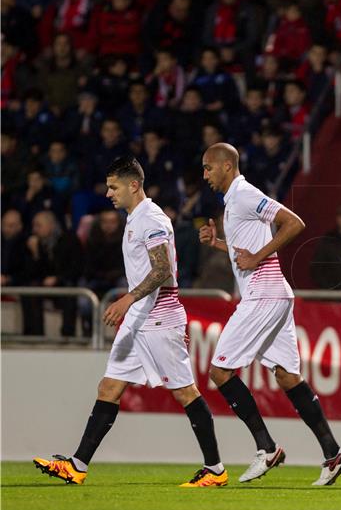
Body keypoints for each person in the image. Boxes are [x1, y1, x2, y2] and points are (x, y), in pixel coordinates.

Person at [33, 156, 227, 487]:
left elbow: (163, 270)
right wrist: (132, 304)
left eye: (113, 187)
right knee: (109, 387)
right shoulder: (136, 217)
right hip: (139, 318)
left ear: (133, 185)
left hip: (159, 317)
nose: (108, 193)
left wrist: (127, 298)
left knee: (185, 393)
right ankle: (77, 465)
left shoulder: (151, 219)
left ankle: (215, 470)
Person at [199, 143, 341, 486]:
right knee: (286, 376)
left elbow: (293, 223)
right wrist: (219, 244)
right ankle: (333, 453)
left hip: (263, 295)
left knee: (220, 371)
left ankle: (266, 448)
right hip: (274, 294)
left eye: (208, 167)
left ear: (226, 166)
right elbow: (245, 250)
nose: (204, 175)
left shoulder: (244, 194)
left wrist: (257, 258)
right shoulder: (234, 201)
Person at [21, 210, 83, 337]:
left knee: (69, 293)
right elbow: (30, 273)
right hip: (45, 283)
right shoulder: (35, 243)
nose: (34, 230)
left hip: (66, 281)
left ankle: (67, 336)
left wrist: (57, 278)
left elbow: (77, 267)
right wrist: (35, 254)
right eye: (34, 226)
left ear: (51, 225)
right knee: (29, 292)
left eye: (38, 225)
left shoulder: (69, 239)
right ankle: (35, 335)